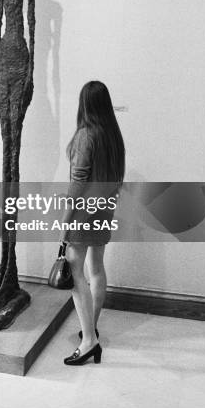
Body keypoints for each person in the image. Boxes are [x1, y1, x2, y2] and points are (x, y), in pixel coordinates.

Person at [61, 81, 125, 365]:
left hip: (84, 211)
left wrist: (65, 220)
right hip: (103, 209)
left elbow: (78, 182)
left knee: (76, 274)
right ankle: (92, 329)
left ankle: (88, 340)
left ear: (84, 104)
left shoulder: (86, 135)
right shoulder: (113, 136)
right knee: (96, 269)